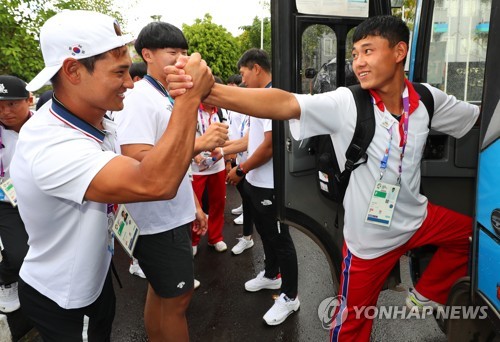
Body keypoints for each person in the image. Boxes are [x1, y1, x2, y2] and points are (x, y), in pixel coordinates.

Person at [166, 15, 479, 341]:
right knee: (352, 329)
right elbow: (285, 102)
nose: (359, 62)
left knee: (472, 237)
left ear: (399, 51)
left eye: (368, 51)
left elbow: (479, 120)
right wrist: (210, 91)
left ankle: (425, 293)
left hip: (418, 218)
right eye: (355, 53)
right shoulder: (348, 103)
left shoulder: (428, 100)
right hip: (370, 242)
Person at [11, 10, 216, 341]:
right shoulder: (50, 143)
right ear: (73, 71)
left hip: (94, 278)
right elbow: (154, 182)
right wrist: (189, 100)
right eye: (119, 72)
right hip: (66, 297)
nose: (128, 82)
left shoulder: (96, 117)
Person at [114, 21, 228, 342]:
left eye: (183, 51)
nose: (180, 58)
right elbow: (137, 155)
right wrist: (202, 143)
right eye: (171, 52)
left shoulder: (165, 95)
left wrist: (192, 206)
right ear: (147, 54)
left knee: (162, 292)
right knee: (178, 301)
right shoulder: (140, 99)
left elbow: (176, 161)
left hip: (170, 213)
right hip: (156, 220)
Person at [213, 48, 301, 325]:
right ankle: (272, 275)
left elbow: (269, 146)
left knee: (280, 239)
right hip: (256, 182)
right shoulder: (259, 99)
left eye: (243, 73)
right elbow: (251, 141)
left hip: (271, 185)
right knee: (266, 233)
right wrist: (220, 148)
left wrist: (241, 168)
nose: (242, 80)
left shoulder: (271, 99)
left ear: (256, 69)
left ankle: (290, 296)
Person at [0, 75, 32, 313]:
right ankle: (6, 280)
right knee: (19, 253)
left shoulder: (45, 127)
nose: (5, 112)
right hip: (7, 202)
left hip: (43, 197)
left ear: (29, 100)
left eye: (12, 103)